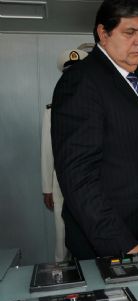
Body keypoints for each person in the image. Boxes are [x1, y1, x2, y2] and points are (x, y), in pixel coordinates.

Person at [51, 0, 138, 259]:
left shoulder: (137, 82)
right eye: (129, 32)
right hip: (117, 245)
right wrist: (124, 246)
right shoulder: (83, 81)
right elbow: (78, 178)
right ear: (103, 33)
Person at [42, 49, 87, 262]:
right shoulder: (53, 110)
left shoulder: (98, 106)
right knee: (62, 236)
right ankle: (63, 276)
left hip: (93, 182)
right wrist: (47, 188)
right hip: (61, 182)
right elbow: (47, 149)